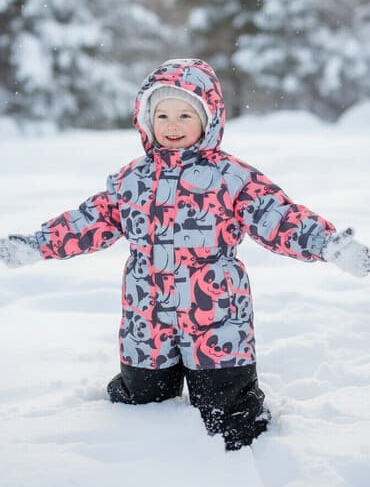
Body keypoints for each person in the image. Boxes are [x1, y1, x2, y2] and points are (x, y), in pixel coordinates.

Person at [0, 57, 369, 451]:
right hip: (146, 315)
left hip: (215, 313)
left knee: (228, 413)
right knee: (141, 400)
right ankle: (141, 457)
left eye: (184, 114)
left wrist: (331, 245)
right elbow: (87, 222)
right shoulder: (131, 180)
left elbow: (279, 218)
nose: (172, 126)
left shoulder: (231, 177)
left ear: (208, 119)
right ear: (146, 120)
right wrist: (36, 245)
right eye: (161, 114)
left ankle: (239, 461)